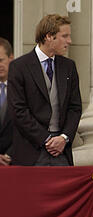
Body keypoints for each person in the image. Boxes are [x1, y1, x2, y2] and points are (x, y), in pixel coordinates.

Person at [7, 14, 82, 166]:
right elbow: (18, 110)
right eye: (65, 36)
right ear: (49, 36)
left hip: (62, 152)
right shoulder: (19, 67)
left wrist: (64, 138)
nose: (70, 41)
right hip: (30, 152)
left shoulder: (69, 67)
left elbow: (75, 108)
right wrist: (46, 140)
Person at [0, 37, 13, 166]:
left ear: (11, 57)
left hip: (15, 162)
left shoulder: (23, 89)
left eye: (1, 60)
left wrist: (9, 155)